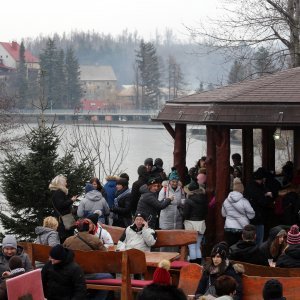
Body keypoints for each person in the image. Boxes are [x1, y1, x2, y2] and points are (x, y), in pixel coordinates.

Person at [244, 168, 273, 245]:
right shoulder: (258, 187)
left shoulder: (249, 186)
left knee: (249, 241)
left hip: (249, 218)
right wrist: (267, 195)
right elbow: (262, 201)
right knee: (259, 241)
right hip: (258, 217)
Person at [222, 178, 255, 246]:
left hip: (229, 227)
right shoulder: (244, 201)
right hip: (241, 227)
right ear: (242, 191)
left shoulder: (226, 200)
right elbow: (251, 215)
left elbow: (223, 214)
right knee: (241, 247)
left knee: (231, 246)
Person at [183, 181, 208, 264]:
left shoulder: (188, 200)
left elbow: (185, 214)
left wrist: (180, 210)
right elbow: (206, 212)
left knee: (192, 247)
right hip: (201, 223)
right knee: (197, 246)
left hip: (190, 223)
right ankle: (198, 265)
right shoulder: (204, 199)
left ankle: (193, 266)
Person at [49, 174, 78, 243]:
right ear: (61, 183)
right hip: (64, 220)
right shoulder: (59, 192)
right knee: (68, 240)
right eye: (65, 182)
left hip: (62, 220)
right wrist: (71, 200)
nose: (66, 183)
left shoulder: (56, 192)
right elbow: (61, 205)